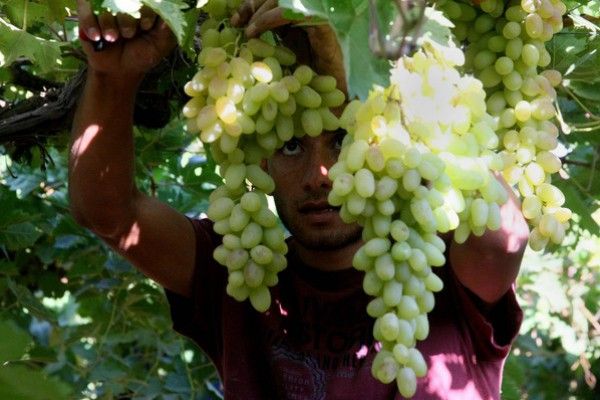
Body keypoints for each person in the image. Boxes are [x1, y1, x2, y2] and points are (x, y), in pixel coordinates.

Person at [69, 0, 530, 398]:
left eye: (343, 140)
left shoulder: (438, 264)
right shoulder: (239, 266)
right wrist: (113, 78)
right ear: (260, 160)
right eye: (291, 146)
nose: (319, 176)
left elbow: (505, 237)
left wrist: (366, 61)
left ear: (388, 142)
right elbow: (107, 213)